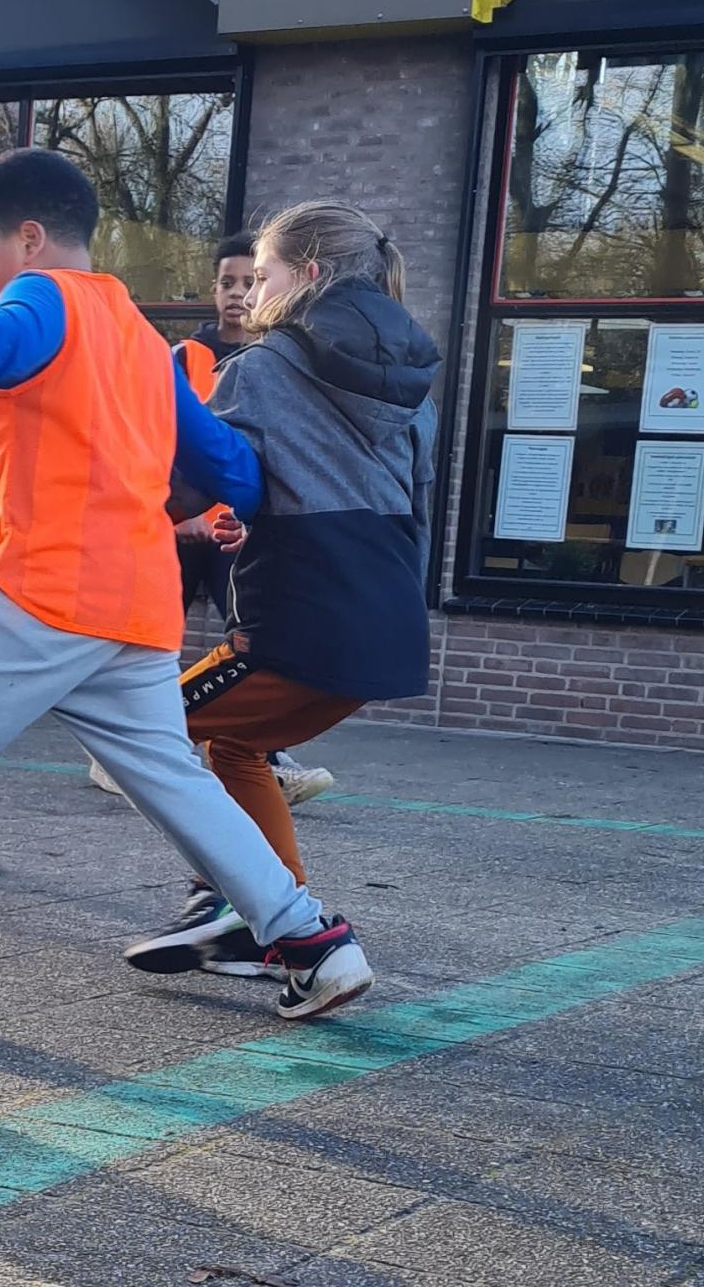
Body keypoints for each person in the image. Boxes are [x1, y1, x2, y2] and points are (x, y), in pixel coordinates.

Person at [0, 149, 372, 1028]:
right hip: (135, 605)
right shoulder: (137, 336)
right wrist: (269, 507)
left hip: (45, 583)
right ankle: (310, 938)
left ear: (30, 237)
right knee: (174, 780)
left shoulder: (40, 298)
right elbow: (219, 458)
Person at [123, 200, 438, 978]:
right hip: (390, 620)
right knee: (235, 741)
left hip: (300, 623)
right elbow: (384, 490)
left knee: (142, 726)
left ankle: (259, 911)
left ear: (309, 275)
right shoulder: (412, 382)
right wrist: (258, 517)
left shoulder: (259, 370)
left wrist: (107, 516)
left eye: (260, 275)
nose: (250, 292)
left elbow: (186, 488)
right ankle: (264, 909)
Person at [88, 231, 335, 806]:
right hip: (174, 529)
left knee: (251, 643)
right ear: (214, 288)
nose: (238, 293)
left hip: (235, 534)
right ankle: (113, 754)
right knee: (148, 645)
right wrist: (173, 516)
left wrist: (239, 518)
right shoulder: (182, 358)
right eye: (228, 282)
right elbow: (156, 442)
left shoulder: (278, 363)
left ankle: (266, 754)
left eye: (252, 281)